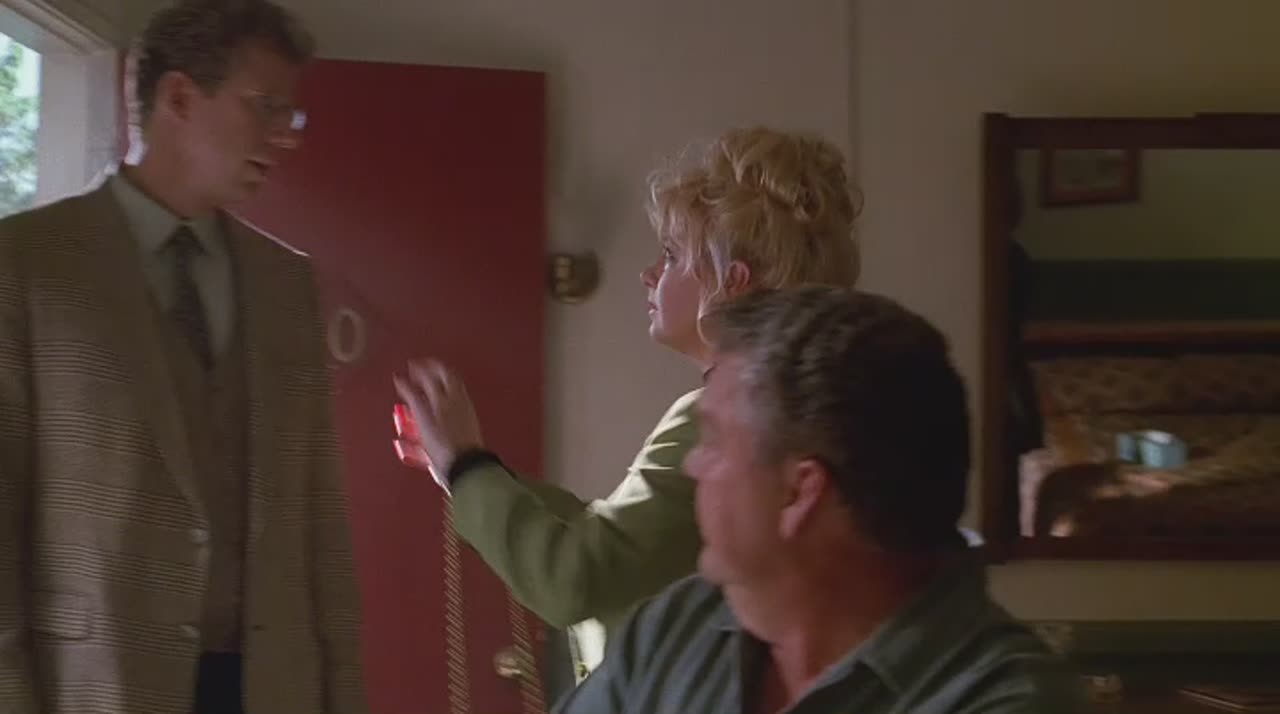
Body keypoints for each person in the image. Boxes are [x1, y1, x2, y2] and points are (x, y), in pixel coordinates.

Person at [391, 126, 861, 691]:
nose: (648, 274)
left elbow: (575, 577)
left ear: (731, 283)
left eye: (671, 255)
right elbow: (620, 541)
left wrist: (467, 467)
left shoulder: (722, 417)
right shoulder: (784, 404)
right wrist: (466, 470)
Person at [0, 1, 365, 712]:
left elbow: (322, 523)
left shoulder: (286, 284)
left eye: (290, 115)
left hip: (269, 686)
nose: (284, 135)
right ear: (178, 97)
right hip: (94, 684)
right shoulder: (28, 265)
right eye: (264, 106)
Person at [552, 286, 1083, 714]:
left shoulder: (1005, 700)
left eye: (713, 440)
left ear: (799, 492)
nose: (693, 466)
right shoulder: (677, 627)